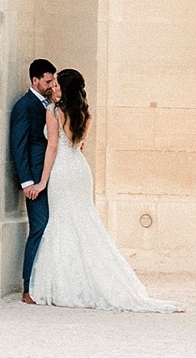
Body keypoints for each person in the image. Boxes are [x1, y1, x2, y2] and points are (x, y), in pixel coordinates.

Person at [28, 69, 179, 313]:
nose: (54, 88)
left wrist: (43, 182)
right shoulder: (86, 112)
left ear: (64, 88)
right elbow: (79, 143)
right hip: (79, 169)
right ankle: (98, 280)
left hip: (62, 171)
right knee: (85, 222)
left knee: (63, 223)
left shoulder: (54, 111)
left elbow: (53, 148)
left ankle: (67, 285)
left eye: (57, 85)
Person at [9, 58, 57, 305]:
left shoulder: (51, 104)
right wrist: (27, 182)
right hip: (35, 179)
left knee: (51, 227)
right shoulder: (24, 106)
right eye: (47, 81)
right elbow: (19, 146)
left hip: (52, 177)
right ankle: (28, 286)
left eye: (53, 81)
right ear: (35, 80)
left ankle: (48, 282)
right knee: (38, 227)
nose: (51, 85)